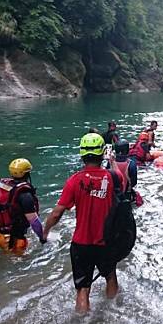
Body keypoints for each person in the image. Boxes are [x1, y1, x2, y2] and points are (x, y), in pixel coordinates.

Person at [43, 133, 122, 313]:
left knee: (83, 289)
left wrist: (46, 231)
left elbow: (57, 213)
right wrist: (113, 161)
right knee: (110, 277)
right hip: (106, 241)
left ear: (81, 154)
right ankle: (113, 312)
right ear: (103, 153)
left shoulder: (74, 180)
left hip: (81, 243)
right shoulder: (113, 178)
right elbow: (123, 190)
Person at [0, 158, 45, 254]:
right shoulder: (25, 195)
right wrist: (42, 237)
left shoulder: (1, 186)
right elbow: (33, 221)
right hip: (16, 241)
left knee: (3, 259)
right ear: (27, 173)